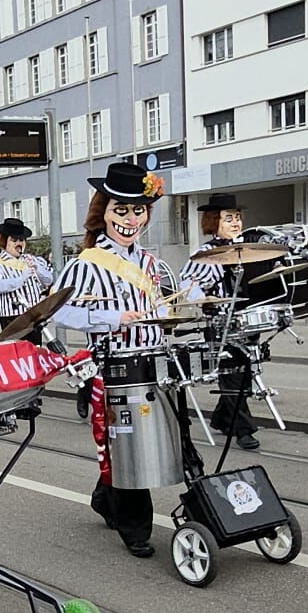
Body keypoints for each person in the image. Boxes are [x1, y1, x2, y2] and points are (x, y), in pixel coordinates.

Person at [50, 161, 200, 558]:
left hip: (155, 361)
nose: (130, 220)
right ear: (104, 212)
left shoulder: (149, 262)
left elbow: (158, 306)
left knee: (173, 434)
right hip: (113, 366)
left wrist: (172, 315)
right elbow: (57, 311)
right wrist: (112, 318)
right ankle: (135, 527)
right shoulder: (88, 262)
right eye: (121, 210)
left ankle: (106, 496)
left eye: (138, 211)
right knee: (127, 446)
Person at [189, 195, 262, 451]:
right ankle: (243, 430)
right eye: (228, 218)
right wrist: (203, 299)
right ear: (213, 221)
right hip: (221, 322)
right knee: (232, 375)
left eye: (238, 217)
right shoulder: (206, 254)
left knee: (244, 373)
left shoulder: (246, 251)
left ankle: (221, 418)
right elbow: (188, 286)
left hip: (246, 319)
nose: (235, 222)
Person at [0, 219, 53, 336]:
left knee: (35, 346)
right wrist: (21, 279)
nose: (18, 243)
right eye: (14, 240)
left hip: (34, 316)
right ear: (4, 241)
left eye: (21, 240)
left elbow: (48, 280)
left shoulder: (31, 259)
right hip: (12, 317)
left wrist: (38, 269)